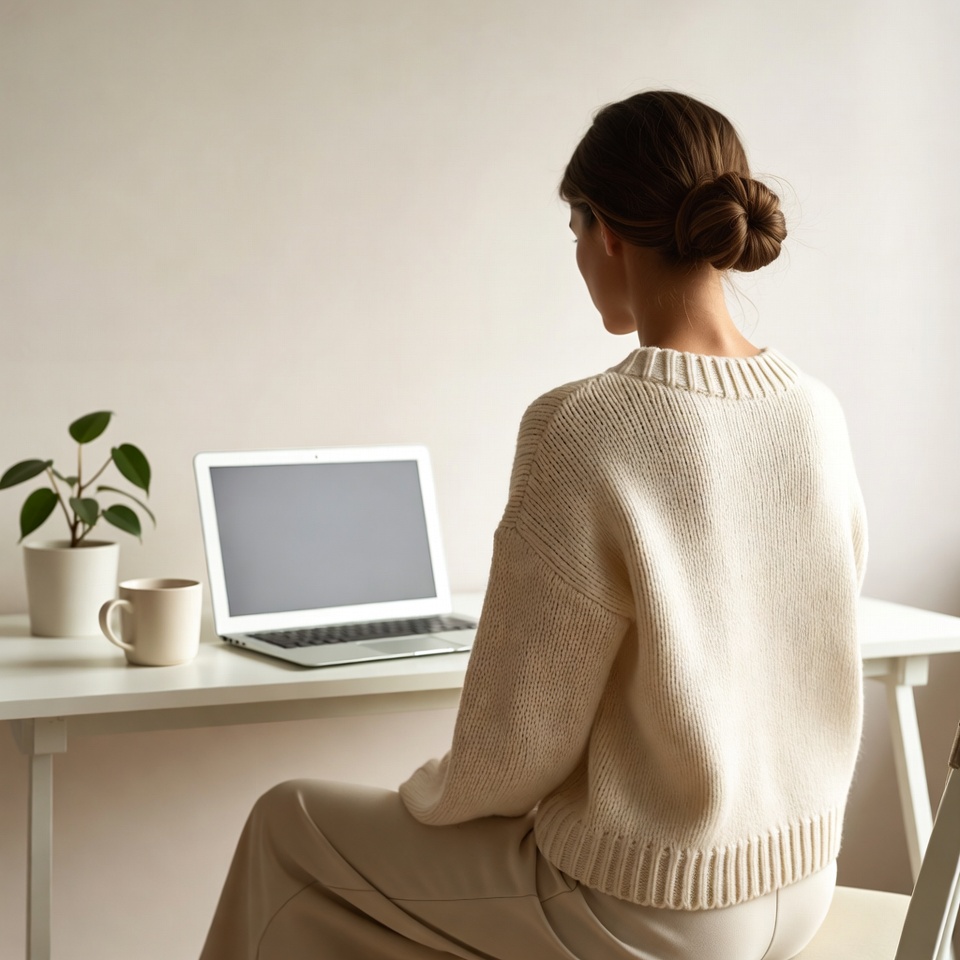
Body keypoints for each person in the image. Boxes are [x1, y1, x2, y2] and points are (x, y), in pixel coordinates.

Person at [199, 90, 866, 960]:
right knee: (342, 913)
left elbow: (515, 745)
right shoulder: (815, 411)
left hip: (648, 903)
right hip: (801, 883)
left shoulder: (583, 426)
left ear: (608, 234)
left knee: (287, 822)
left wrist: (430, 797)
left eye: (574, 233)